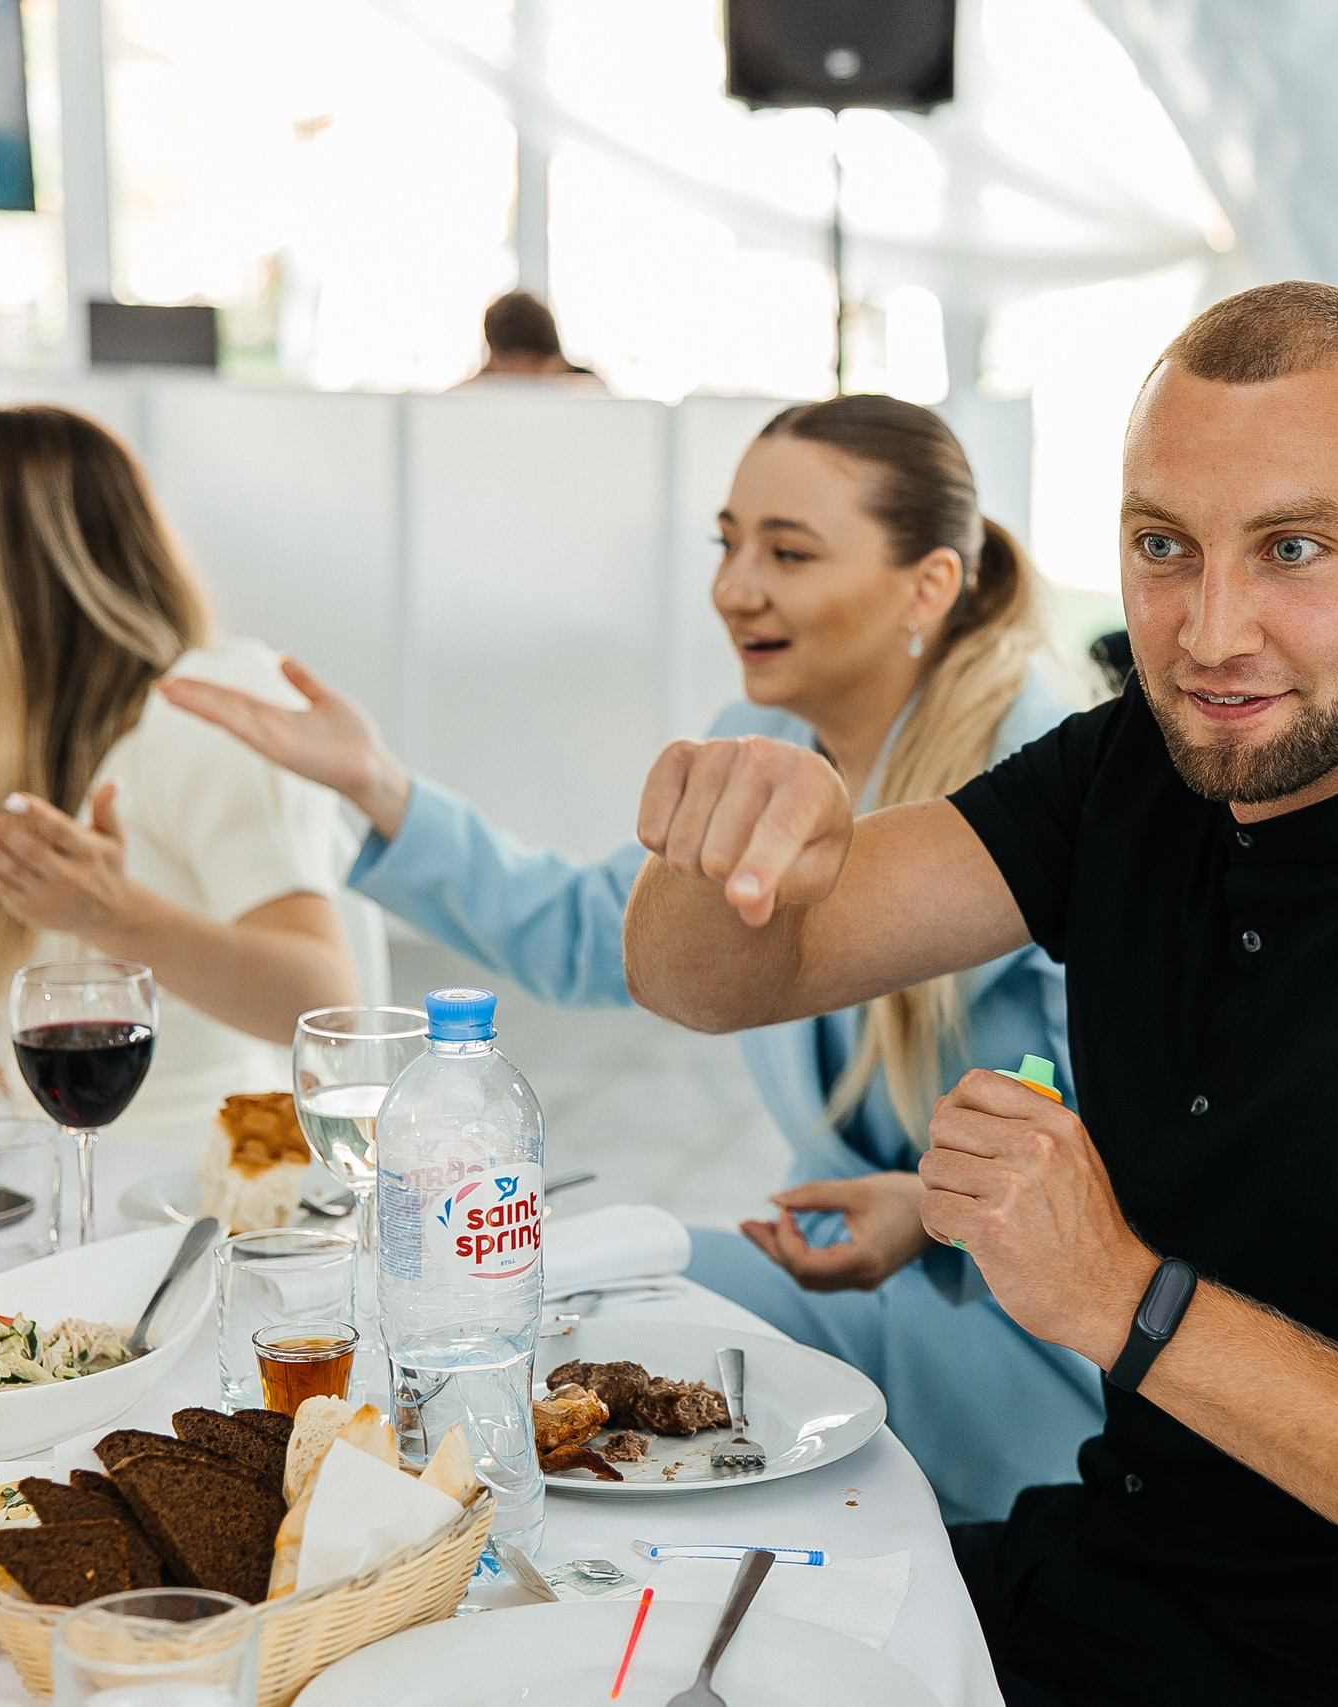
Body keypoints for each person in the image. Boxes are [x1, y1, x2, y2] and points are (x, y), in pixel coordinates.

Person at [621, 282, 1338, 1705]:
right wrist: (728, 838)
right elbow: (710, 978)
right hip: (1108, 1593)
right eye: (1163, 546)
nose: (1210, 632)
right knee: (625, 1642)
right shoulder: (1138, 772)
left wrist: (1131, 1300)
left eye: (1292, 549)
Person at [159, 394, 1102, 1523]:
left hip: (1021, 1340)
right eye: (727, 543)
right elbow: (585, 933)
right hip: (845, 1270)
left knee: (568, 1326)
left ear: (929, 585)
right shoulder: (770, 754)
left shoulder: (1041, 786)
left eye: (788, 553)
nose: (734, 587)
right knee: (541, 1287)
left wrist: (932, 1207)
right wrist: (377, 785)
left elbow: (1150, 1142)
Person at [0, 405, 367, 1143]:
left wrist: (114, 915)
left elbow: (326, 1007)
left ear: (0, 563)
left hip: (176, 1191)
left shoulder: (191, 722)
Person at [452, 290, 604, 391]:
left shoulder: (588, 390)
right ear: (497, 357)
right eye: (533, 367)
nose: (541, 377)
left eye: (543, 366)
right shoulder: (465, 399)